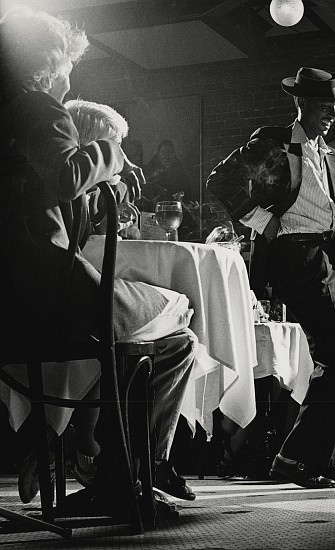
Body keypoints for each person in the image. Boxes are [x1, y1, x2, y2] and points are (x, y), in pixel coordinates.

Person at [0, 8, 197, 513]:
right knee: (177, 328)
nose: (72, 77)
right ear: (49, 62)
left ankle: (96, 465)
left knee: (138, 336)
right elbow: (66, 175)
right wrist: (109, 152)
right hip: (50, 297)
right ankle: (121, 481)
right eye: (69, 64)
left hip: (9, 306)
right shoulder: (38, 107)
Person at [206, 67, 335, 489]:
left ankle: (319, 458)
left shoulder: (330, 155)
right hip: (294, 257)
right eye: (323, 106)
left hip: (328, 259)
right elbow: (220, 179)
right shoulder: (273, 143)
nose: (332, 114)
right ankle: (294, 458)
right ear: (301, 104)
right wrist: (261, 221)